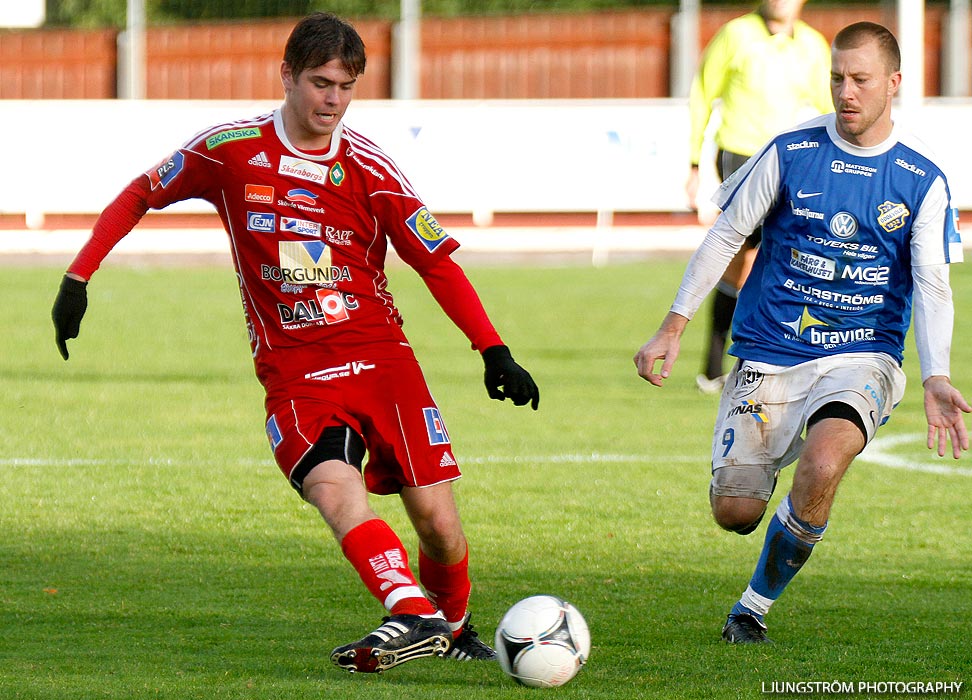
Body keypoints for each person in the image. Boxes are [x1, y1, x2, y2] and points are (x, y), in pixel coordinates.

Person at [51, 12, 539, 673]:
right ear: (286, 75)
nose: (331, 100)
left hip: (383, 361)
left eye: (345, 86)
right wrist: (80, 275)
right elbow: (141, 192)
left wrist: (493, 349)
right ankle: (411, 609)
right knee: (336, 492)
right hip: (295, 371)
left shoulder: (370, 167)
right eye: (319, 83)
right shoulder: (230, 150)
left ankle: (449, 626)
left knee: (440, 527)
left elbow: (434, 261)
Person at [635, 22, 968, 644]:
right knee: (735, 513)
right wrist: (673, 327)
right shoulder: (791, 149)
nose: (846, 92)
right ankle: (775, 471)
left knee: (823, 460)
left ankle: (752, 608)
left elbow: (933, 284)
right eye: (838, 78)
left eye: (861, 80)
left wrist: (936, 375)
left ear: (894, 84)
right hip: (770, 349)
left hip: (863, 356)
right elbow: (728, 234)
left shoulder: (921, 179)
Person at [686, 0, 832, 394]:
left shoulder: (814, 45)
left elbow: (830, 107)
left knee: (785, 257)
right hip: (740, 155)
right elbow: (702, 93)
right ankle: (717, 364)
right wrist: (695, 162)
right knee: (741, 258)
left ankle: (767, 358)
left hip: (790, 163)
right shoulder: (736, 35)